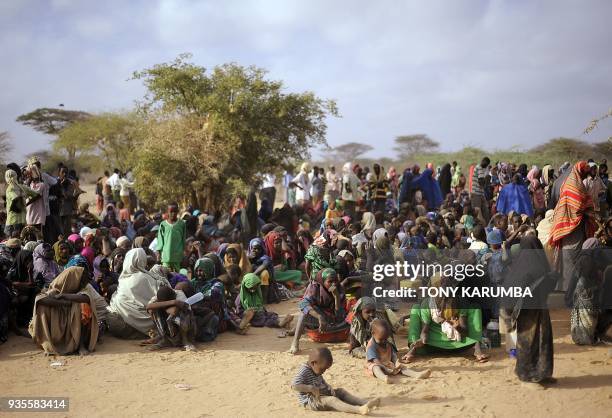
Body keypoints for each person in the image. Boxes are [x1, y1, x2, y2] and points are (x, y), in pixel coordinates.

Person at [502, 235, 555, 385]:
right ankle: (543, 373)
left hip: (526, 312)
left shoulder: (520, 266)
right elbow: (550, 285)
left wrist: (509, 312)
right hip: (540, 310)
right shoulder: (542, 264)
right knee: (543, 342)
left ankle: (525, 373)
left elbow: (510, 290)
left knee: (526, 342)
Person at [29, 266, 100, 355]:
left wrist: (64, 296)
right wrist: (64, 304)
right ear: (72, 279)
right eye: (82, 280)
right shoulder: (55, 289)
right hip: (57, 322)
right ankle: (49, 341)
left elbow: (86, 298)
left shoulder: (82, 289)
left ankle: (81, 345)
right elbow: (40, 299)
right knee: (42, 307)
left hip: (73, 322)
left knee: (84, 307)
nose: (84, 283)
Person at [548, 161, 597, 291]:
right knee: (573, 259)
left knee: (568, 259)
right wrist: (588, 209)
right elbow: (578, 207)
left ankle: (565, 289)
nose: (585, 176)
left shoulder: (568, 182)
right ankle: (571, 290)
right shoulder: (574, 186)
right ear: (580, 172)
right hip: (572, 229)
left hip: (567, 227)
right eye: (584, 173)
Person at [291, 347, 380, 415]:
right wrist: (310, 388)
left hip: (321, 393)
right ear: (314, 363)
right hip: (311, 401)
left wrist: (328, 387)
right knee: (332, 400)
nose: (324, 371)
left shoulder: (316, 369)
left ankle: (363, 403)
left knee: (341, 391)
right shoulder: (304, 370)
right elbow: (294, 386)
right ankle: (358, 410)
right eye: (322, 369)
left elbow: (321, 381)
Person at [107, 248, 170, 339]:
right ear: (142, 260)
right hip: (144, 322)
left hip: (122, 322)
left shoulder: (122, 279)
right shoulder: (144, 278)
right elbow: (163, 294)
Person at [289, 268, 347, 354]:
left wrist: (336, 297)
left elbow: (339, 317)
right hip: (319, 318)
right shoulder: (314, 287)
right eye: (330, 281)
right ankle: (295, 341)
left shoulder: (340, 289)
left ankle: (302, 328)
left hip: (332, 320)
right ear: (322, 281)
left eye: (335, 281)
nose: (333, 284)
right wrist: (319, 316)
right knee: (303, 313)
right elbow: (303, 304)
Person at [366, 319, 430, 383]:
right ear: (373, 333)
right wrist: (385, 369)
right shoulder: (371, 346)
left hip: (388, 364)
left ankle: (416, 374)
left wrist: (397, 363)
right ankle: (384, 378)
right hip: (378, 364)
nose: (384, 341)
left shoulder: (387, 343)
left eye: (386, 339)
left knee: (401, 367)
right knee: (375, 368)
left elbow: (393, 356)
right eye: (381, 339)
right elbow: (375, 360)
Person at [146, 285, 197, 351]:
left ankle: (185, 340)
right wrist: (174, 302)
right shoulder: (159, 296)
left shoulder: (179, 294)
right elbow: (148, 307)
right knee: (153, 311)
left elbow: (173, 311)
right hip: (169, 325)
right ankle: (164, 339)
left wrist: (161, 305)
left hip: (186, 326)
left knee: (179, 313)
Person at [5, 169, 38, 238]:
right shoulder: (22, 187)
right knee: (20, 242)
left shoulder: (10, 188)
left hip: (12, 221)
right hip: (22, 220)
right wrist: (26, 203)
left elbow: (15, 198)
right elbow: (36, 195)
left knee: (11, 243)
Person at [156, 203, 186, 271]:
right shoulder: (163, 224)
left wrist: (184, 253)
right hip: (166, 257)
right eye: (171, 211)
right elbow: (160, 240)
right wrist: (158, 254)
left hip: (177, 256)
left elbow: (183, 239)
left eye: (175, 211)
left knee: (177, 276)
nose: (173, 213)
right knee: (165, 276)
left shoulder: (182, 224)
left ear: (178, 211)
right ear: (167, 212)